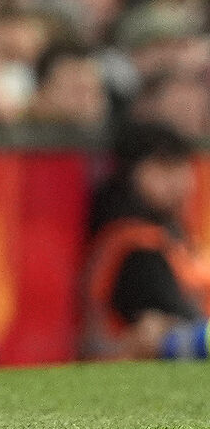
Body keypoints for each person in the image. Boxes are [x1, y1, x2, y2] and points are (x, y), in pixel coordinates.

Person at [82, 122, 210, 361]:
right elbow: (176, 325)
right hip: (125, 376)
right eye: (164, 167)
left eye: (183, 166)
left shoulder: (175, 238)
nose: (180, 180)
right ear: (131, 172)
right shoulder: (136, 246)